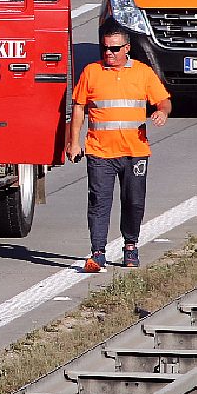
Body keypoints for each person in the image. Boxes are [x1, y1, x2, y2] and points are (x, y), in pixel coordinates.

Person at [66, 20, 172, 272]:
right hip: (100, 152)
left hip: (135, 153)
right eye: (105, 49)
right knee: (99, 202)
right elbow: (79, 107)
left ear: (127, 48)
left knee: (133, 201)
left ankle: (131, 245)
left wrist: (162, 112)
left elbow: (164, 101)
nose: (109, 54)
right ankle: (98, 252)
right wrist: (73, 142)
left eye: (114, 49)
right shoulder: (91, 72)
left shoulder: (143, 73)